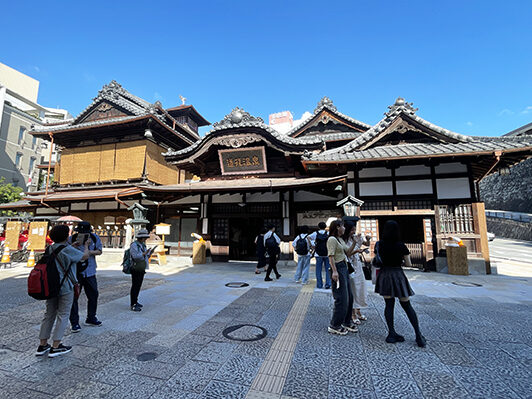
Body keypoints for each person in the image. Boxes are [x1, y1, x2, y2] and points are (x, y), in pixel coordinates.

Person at [37, 224, 89, 357]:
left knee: (49, 315)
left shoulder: (50, 248)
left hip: (50, 285)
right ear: (66, 236)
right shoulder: (67, 249)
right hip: (65, 286)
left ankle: (42, 344)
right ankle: (56, 346)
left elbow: (60, 255)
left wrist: (72, 247)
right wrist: (86, 245)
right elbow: (84, 256)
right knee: (63, 314)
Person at [375, 220, 426, 347]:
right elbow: (408, 264)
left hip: (385, 274)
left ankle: (391, 333)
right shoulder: (400, 245)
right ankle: (418, 335)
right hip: (397, 274)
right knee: (407, 305)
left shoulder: (380, 244)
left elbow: (377, 259)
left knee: (389, 304)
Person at [69, 221, 103, 332]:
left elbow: (99, 251)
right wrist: (74, 246)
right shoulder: (72, 239)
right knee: (74, 297)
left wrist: (88, 249)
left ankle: (91, 317)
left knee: (93, 294)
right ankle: (74, 322)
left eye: (85, 232)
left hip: (90, 271)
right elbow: (67, 252)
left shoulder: (94, 238)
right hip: (76, 272)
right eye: (81, 232)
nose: (83, 234)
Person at [327, 219, 359, 335]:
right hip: (338, 268)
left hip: (344, 268)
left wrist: (355, 242)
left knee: (349, 297)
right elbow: (330, 257)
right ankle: (334, 325)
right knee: (341, 298)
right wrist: (334, 272)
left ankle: (346, 321)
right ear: (337, 227)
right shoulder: (331, 239)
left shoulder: (340, 239)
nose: (344, 228)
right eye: (343, 226)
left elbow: (348, 253)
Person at [344, 222, 370, 324]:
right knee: (353, 288)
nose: (353, 232)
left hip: (358, 265)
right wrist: (356, 248)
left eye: (354, 229)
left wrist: (367, 239)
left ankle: (358, 310)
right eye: (351, 230)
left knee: (360, 287)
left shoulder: (355, 237)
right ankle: (352, 313)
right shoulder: (344, 240)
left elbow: (366, 244)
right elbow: (348, 253)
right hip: (350, 266)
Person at [129, 228, 153, 311]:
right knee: (135, 286)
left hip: (141, 267)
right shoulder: (134, 245)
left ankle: (136, 301)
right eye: (145, 238)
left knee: (138, 286)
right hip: (136, 268)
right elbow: (135, 256)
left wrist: (149, 253)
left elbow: (145, 256)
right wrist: (144, 253)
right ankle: (133, 303)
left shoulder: (143, 245)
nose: (146, 239)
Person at [309, 222, 331, 289]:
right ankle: (328, 284)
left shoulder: (315, 233)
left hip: (318, 254)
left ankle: (319, 285)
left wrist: (312, 245)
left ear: (318, 227)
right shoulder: (328, 233)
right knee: (328, 269)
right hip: (327, 253)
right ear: (325, 227)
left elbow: (308, 237)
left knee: (318, 270)